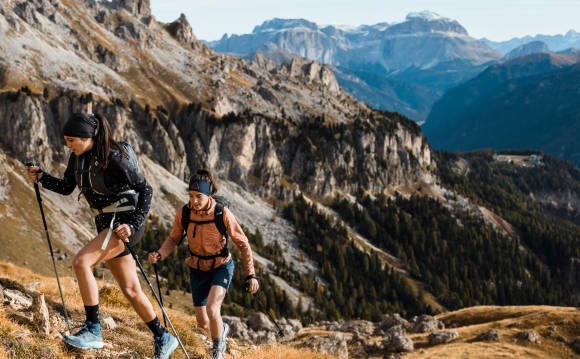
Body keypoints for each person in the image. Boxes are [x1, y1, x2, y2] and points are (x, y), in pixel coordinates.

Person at [26, 113, 178, 359]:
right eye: (66, 140)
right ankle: (163, 336)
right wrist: (42, 178)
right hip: (106, 223)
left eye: (72, 139)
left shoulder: (113, 157)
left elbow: (145, 188)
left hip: (124, 223)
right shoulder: (76, 159)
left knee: (81, 262)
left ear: (89, 137)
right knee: (130, 289)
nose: (68, 145)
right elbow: (66, 188)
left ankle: (93, 330)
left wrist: (133, 223)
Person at [149, 169, 259, 359]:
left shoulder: (221, 213)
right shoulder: (184, 213)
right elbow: (173, 238)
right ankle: (220, 331)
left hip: (221, 266)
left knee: (212, 308)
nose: (194, 201)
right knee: (203, 323)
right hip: (197, 268)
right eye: (191, 196)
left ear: (209, 195)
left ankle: (217, 350)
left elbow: (243, 243)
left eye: (198, 196)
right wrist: (160, 254)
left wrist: (251, 274)